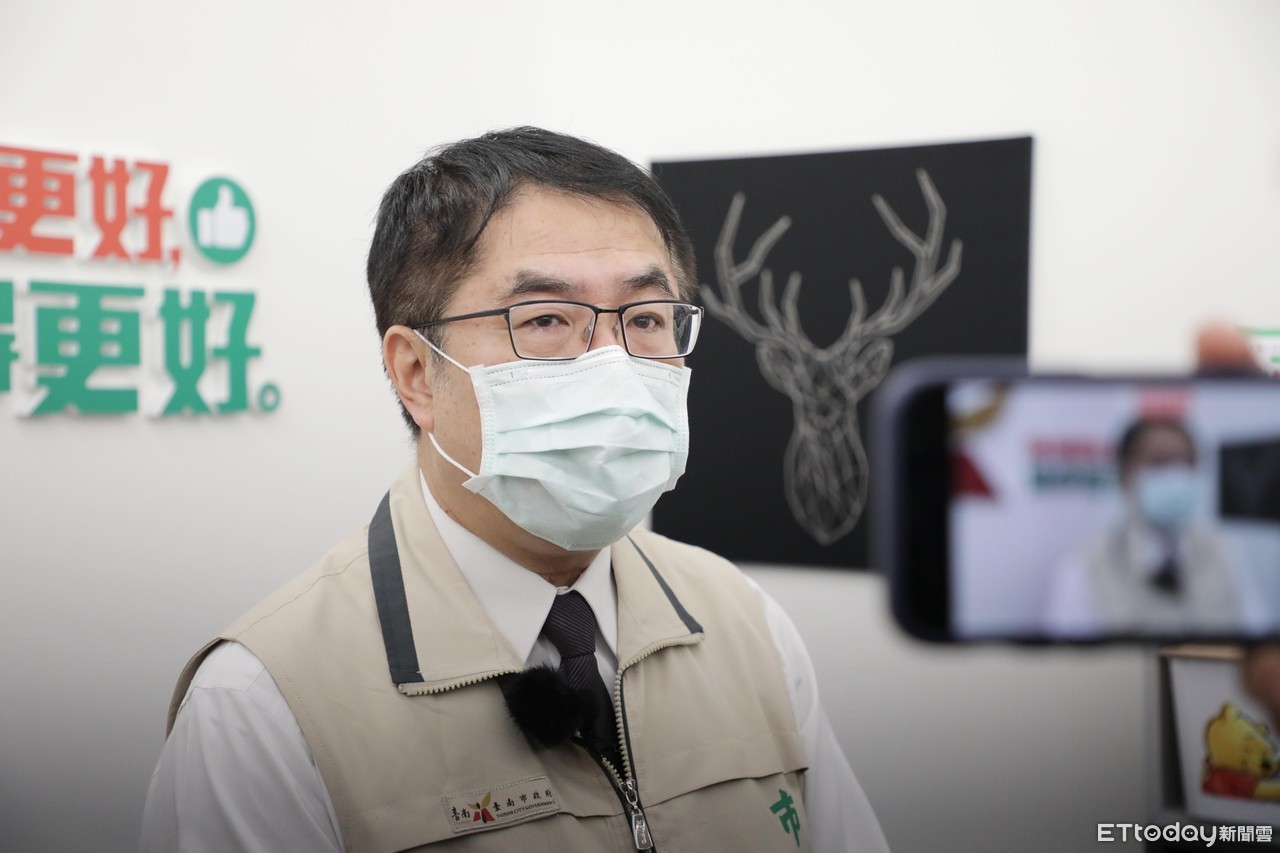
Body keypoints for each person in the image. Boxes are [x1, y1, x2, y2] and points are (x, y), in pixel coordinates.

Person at [139, 127, 889, 852]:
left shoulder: (747, 625)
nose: (614, 366)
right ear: (416, 373)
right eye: (546, 319)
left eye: (646, 318)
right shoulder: (266, 704)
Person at [1043, 417, 1242, 636]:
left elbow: (1256, 638)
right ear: (1124, 473)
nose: (1175, 476)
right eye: (1159, 462)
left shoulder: (1223, 555)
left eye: (1185, 463)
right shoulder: (1084, 568)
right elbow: (1068, 652)